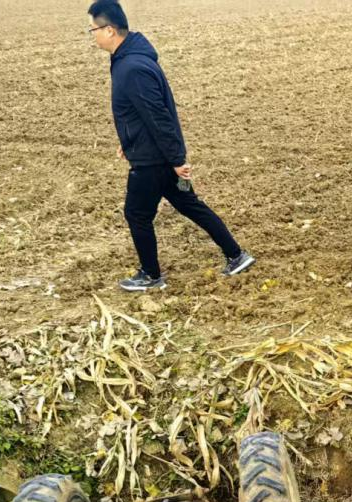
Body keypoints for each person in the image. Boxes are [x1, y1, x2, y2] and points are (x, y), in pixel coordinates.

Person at [86, 1, 254, 292]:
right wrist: (128, 142)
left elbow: (158, 116)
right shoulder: (129, 60)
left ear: (110, 30)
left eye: (93, 29)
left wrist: (177, 159)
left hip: (153, 160)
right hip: (155, 152)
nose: (92, 36)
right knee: (190, 204)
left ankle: (151, 276)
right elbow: (139, 113)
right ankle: (236, 255)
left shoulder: (131, 67)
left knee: (137, 214)